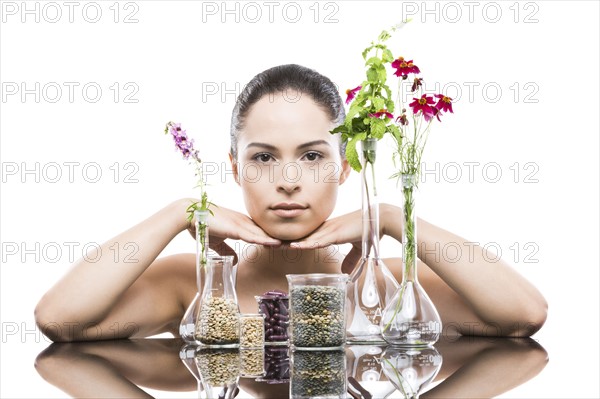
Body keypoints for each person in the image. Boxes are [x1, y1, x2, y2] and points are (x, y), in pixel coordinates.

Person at [34, 64, 547, 342]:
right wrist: (178, 213)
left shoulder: (382, 289)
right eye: (262, 158)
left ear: (346, 167)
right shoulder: (196, 288)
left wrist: (388, 218)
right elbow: (59, 320)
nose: (287, 180)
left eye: (311, 156)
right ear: (233, 169)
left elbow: (524, 314)